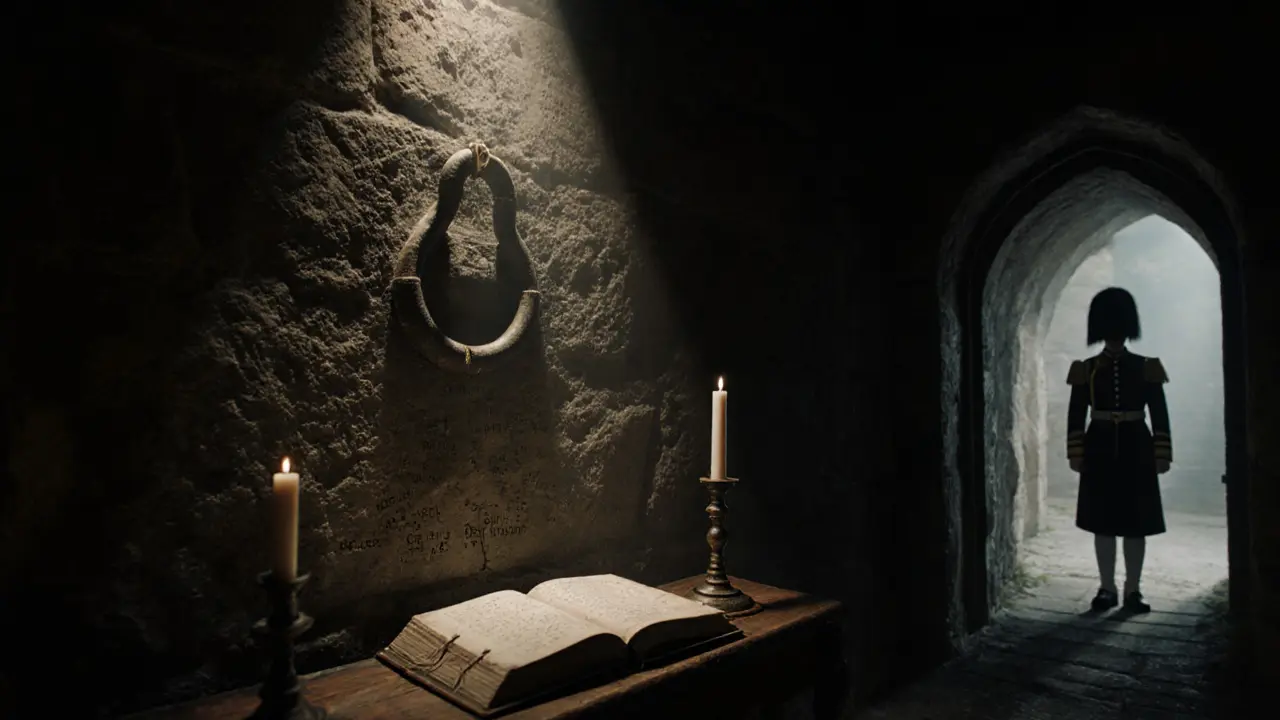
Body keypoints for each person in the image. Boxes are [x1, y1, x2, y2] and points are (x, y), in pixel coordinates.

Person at [1065, 287, 1172, 614]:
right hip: (1098, 447)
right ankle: (1107, 588)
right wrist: (1077, 451)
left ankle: (1133, 590)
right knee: (1103, 522)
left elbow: (1159, 413)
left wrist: (1161, 451)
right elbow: (1075, 414)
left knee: (1136, 522)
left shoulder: (1146, 366)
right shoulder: (1086, 368)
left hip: (1136, 447)